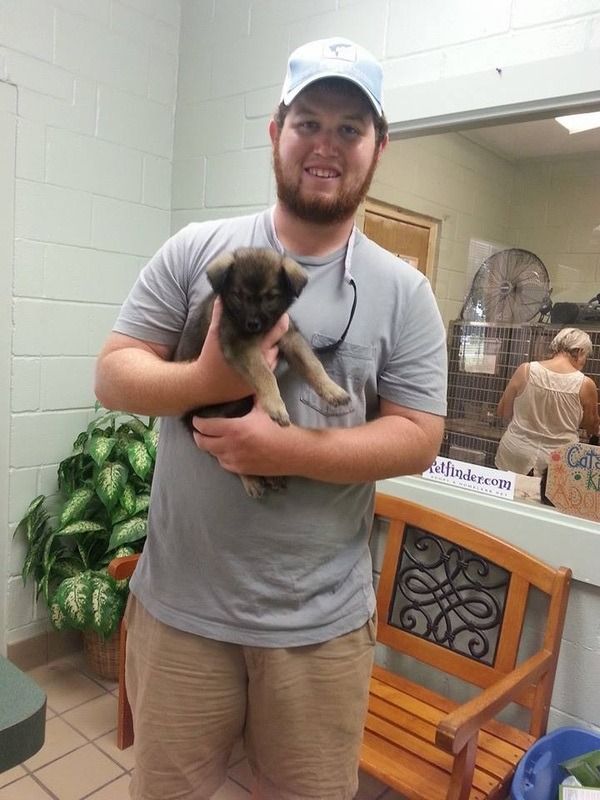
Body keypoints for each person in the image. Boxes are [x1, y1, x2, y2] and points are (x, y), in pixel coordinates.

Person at [95, 36, 447, 800]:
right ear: (275, 131)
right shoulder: (197, 250)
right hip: (181, 612)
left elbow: (420, 438)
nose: (327, 145)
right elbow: (114, 375)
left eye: (350, 129)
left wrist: (286, 450)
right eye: (309, 122)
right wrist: (205, 378)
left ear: (378, 148)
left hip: (318, 631)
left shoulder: (404, 292)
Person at [495, 327, 599, 476]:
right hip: (558, 462)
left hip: (515, 453)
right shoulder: (586, 384)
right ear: (580, 351)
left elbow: (503, 411)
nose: (584, 362)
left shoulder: (525, 370)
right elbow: (591, 426)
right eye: (585, 356)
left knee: (508, 499)